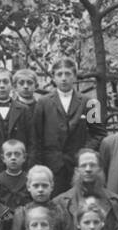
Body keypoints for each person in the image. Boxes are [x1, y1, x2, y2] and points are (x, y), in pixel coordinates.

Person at [32, 56, 105, 195]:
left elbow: (99, 133)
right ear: (53, 78)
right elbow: (36, 137)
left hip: (78, 166)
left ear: (75, 77)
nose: (64, 78)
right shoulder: (42, 103)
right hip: (52, 165)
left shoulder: (90, 103)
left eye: (68, 74)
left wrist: (83, 152)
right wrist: (39, 166)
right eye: (59, 74)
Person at [52, 149, 118, 230]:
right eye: (83, 165)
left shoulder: (116, 202)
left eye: (92, 165)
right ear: (77, 170)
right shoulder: (60, 202)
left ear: (100, 169)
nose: (88, 169)